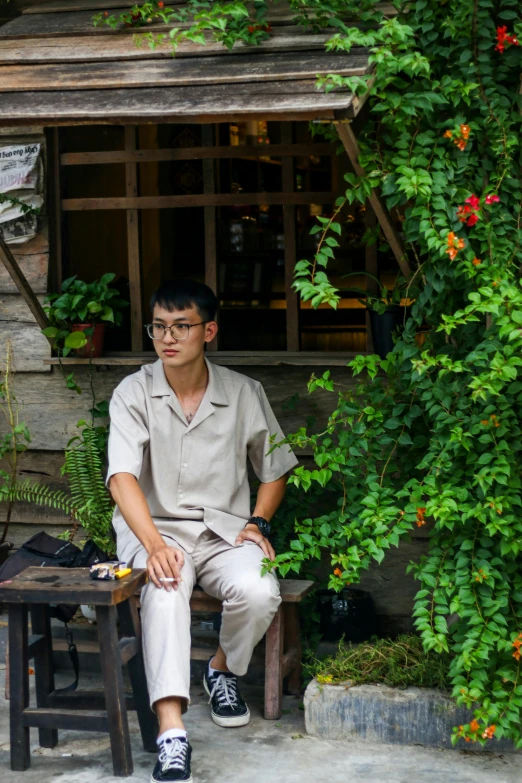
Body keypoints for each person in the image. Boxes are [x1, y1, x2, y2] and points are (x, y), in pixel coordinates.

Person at [106, 279, 298, 783]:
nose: (168, 338)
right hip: (156, 529)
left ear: (208, 330)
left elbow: (274, 468)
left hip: (223, 533)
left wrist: (258, 522)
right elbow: (122, 477)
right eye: (159, 328)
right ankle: (171, 733)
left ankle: (221, 671)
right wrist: (151, 544)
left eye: (182, 327)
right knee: (165, 589)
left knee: (259, 590)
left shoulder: (242, 393)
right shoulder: (133, 392)